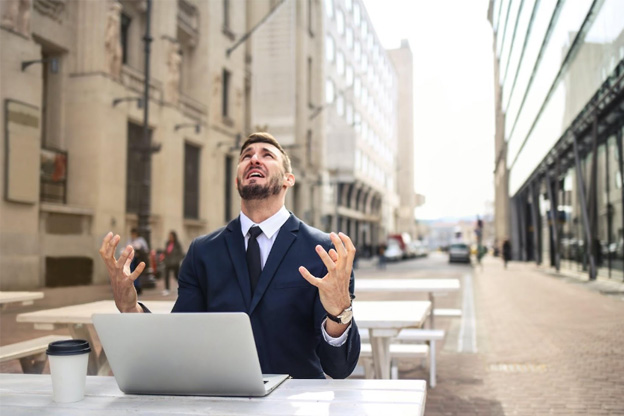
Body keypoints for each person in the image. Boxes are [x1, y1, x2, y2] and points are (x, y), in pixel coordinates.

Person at [99, 132, 360, 379]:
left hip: (295, 401)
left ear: (288, 180)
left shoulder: (325, 252)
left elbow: (339, 367)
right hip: (221, 400)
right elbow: (179, 340)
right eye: (246, 156)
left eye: (267, 155)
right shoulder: (202, 251)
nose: (254, 158)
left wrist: (339, 311)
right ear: (237, 181)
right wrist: (129, 308)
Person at [160, 231, 185, 296]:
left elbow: (181, 254)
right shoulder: (167, 243)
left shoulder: (177, 244)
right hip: (168, 263)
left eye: (171, 236)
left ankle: (182, 288)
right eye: (169, 236)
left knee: (176, 276)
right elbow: (165, 252)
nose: (170, 237)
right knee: (166, 276)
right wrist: (164, 259)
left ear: (174, 237)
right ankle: (167, 289)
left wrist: (177, 261)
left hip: (175, 263)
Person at [127, 228, 149, 295]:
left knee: (137, 273)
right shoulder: (129, 241)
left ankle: (138, 287)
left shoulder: (141, 240)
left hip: (138, 259)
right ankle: (132, 286)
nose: (133, 235)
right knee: (131, 272)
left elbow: (145, 249)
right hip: (131, 260)